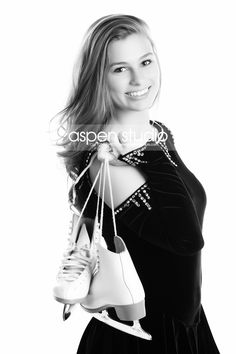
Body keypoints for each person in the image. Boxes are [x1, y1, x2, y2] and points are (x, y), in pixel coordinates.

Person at [54, 14, 220, 354]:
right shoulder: (109, 164)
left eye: (145, 61)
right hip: (141, 337)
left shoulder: (154, 132)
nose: (139, 78)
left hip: (186, 327)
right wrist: (147, 151)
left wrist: (148, 144)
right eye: (119, 69)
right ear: (98, 79)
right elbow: (187, 238)